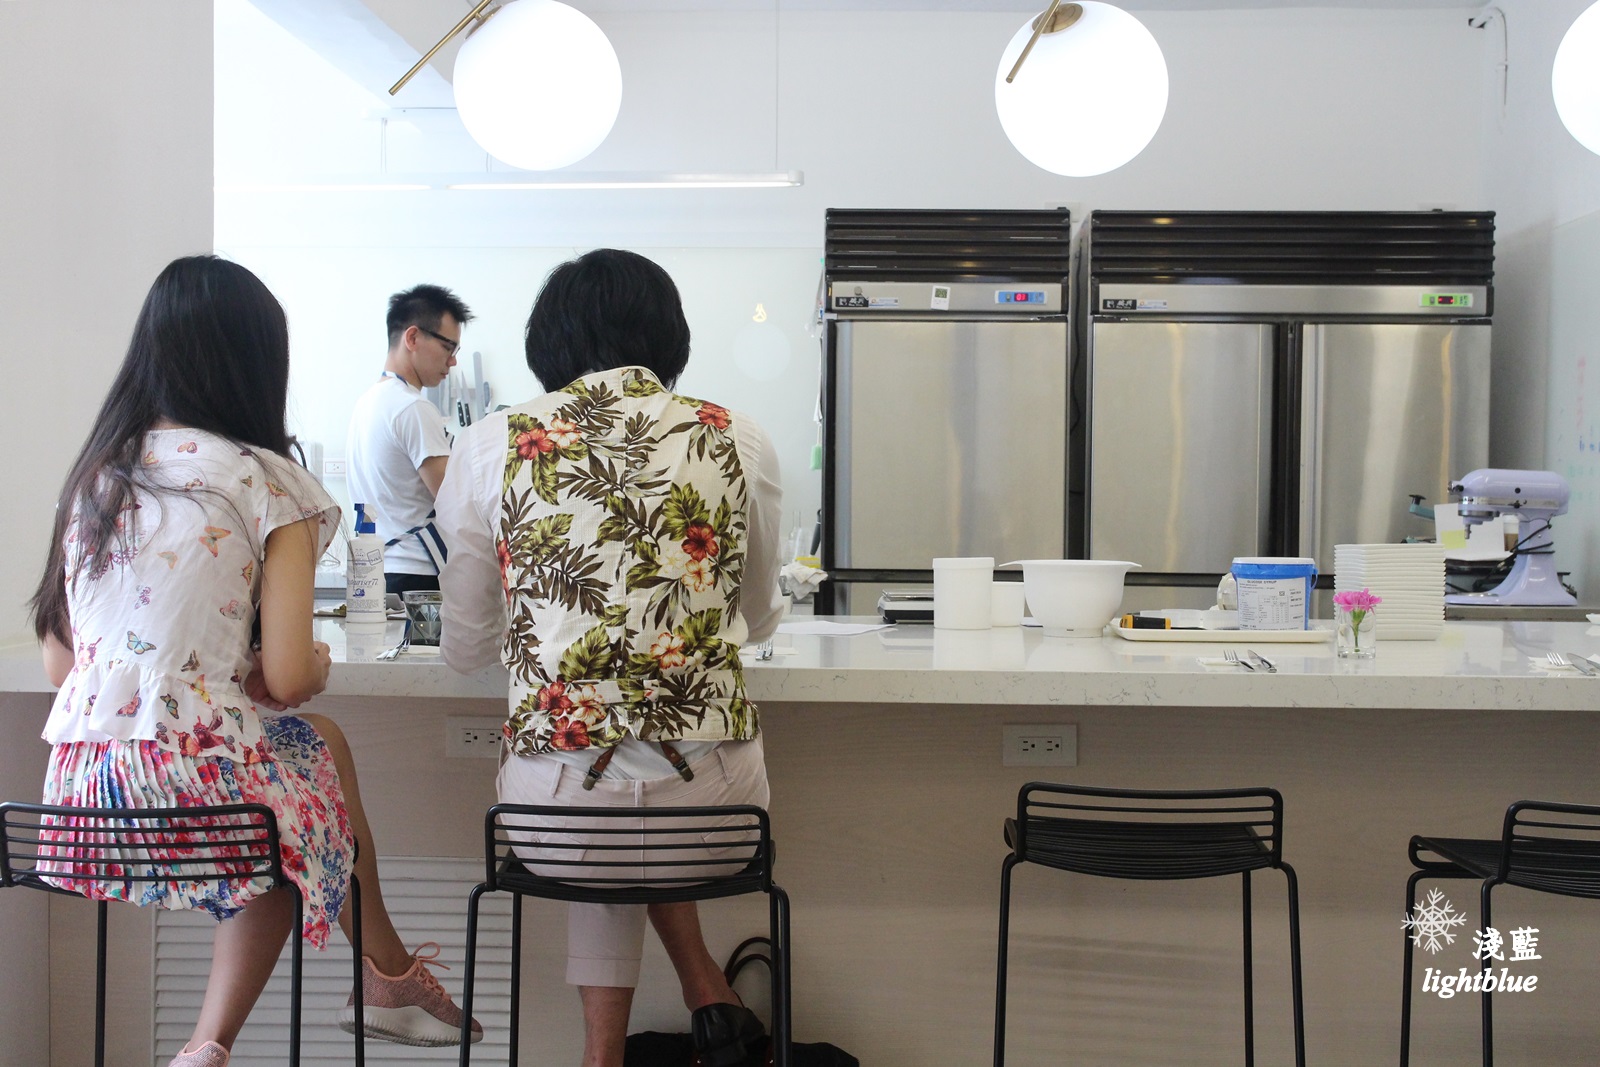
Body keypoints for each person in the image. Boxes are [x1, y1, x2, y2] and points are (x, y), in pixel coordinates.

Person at [30, 256, 481, 1067]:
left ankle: (378, 978)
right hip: (191, 791)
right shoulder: (268, 479)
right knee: (288, 834)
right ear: (257, 361)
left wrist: (193, 674)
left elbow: (64, 665)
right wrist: (310, 655)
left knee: (311, 762)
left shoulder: (97, 475)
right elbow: (292, 678)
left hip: (80, 801)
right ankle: (239, 1033)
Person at [434, 249, 785, 1067]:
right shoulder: (737, 436)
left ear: (547, 344)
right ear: (671, 338)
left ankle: (605, 1055)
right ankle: (705, 992)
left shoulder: (488, 445)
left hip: (557, 822)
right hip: (718, 819)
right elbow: (762, 615)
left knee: (592, 779)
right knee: (634, 790)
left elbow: (466, 649)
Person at [346, 283, 474, 595]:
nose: (453, 361)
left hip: (377, 572)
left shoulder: (366, 403)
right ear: (413, 338)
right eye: (448, 347)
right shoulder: (412, 407)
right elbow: (455, 501)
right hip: (418, 574)